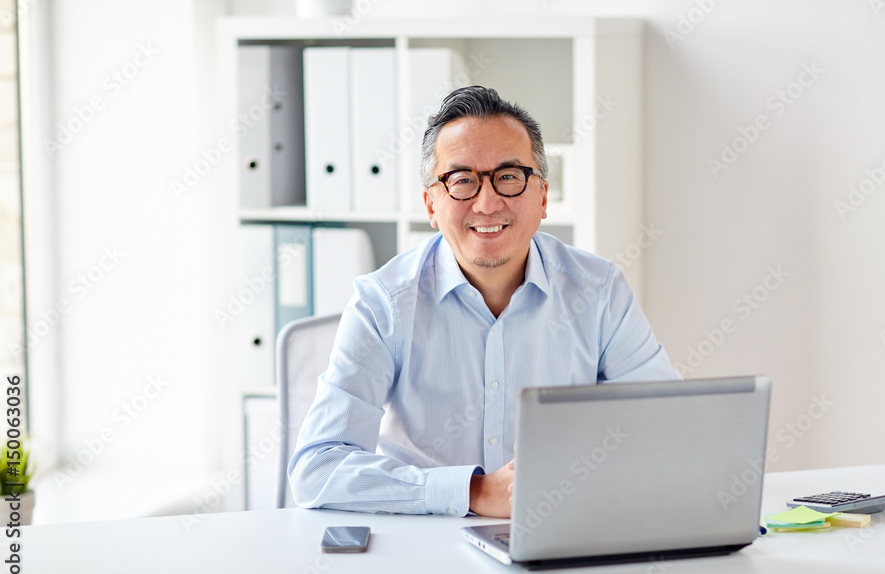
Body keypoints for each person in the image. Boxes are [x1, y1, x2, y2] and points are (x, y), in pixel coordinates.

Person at [288, 86, 680, 518]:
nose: (488, 202)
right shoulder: (383, 303)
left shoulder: (600, 291)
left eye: (510, 176)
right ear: (431, 206)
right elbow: (317, 468)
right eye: (462, 181)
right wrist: (472, 492)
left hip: (562, 534)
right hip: (422, 544)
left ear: (543, 197)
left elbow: (664, 429)